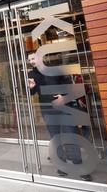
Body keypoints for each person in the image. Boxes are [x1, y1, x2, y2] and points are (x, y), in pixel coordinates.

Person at [27, 52, 92, 181]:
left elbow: (68, 84)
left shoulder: (54, 69)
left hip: (63, 107)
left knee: (71, 135)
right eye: (30, 60)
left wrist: (63, 95)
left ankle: (79, 165)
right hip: (47, 109)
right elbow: (32, 92)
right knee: (56, 138)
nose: (32, 61)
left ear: (40, 57)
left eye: (33, 58)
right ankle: (62, 166)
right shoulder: (31, 74)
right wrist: (31, 88)